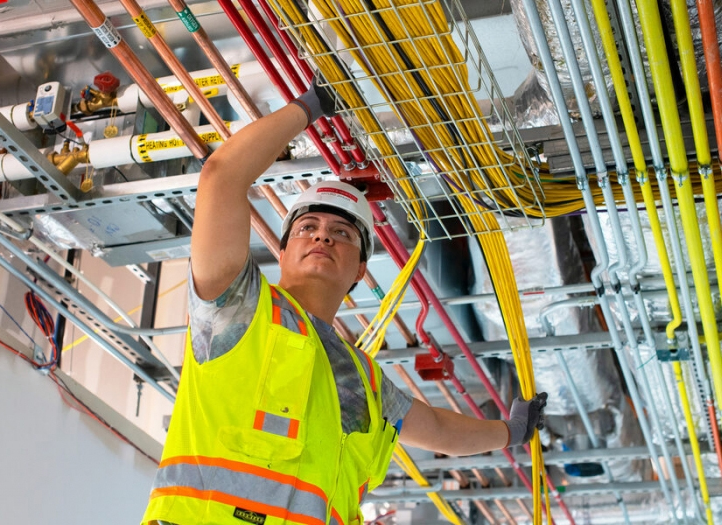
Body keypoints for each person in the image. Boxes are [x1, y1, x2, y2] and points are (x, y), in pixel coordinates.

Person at [142, 79, 548, 525]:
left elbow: (439, 431)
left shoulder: (366, 381)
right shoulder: (237, 307)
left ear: (359, 270)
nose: (322, 235)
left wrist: (510, 433)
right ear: (282, 251)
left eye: (342, 234)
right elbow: (221, 176)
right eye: (307, 227)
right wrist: (311, 105)